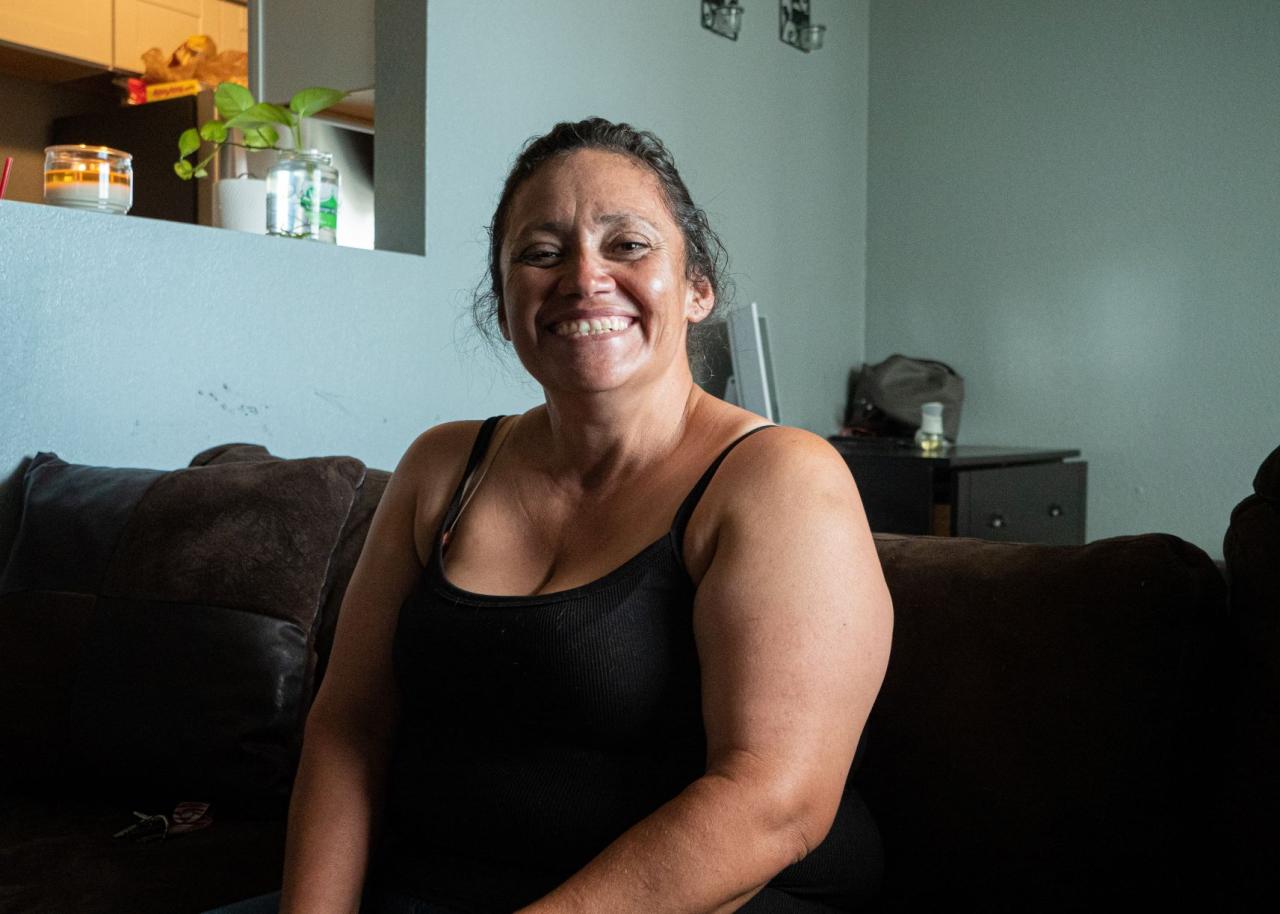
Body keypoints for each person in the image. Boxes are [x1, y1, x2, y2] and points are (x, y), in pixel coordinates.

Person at [220, 117, 893, 914]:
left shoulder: (778, 477)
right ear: (504, 309)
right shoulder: (443, 467)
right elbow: (349, 728)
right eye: (541, 253)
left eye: (629, 245)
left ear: (697, 289)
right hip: (438, 885)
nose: (584, 276)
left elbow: (773, 802)